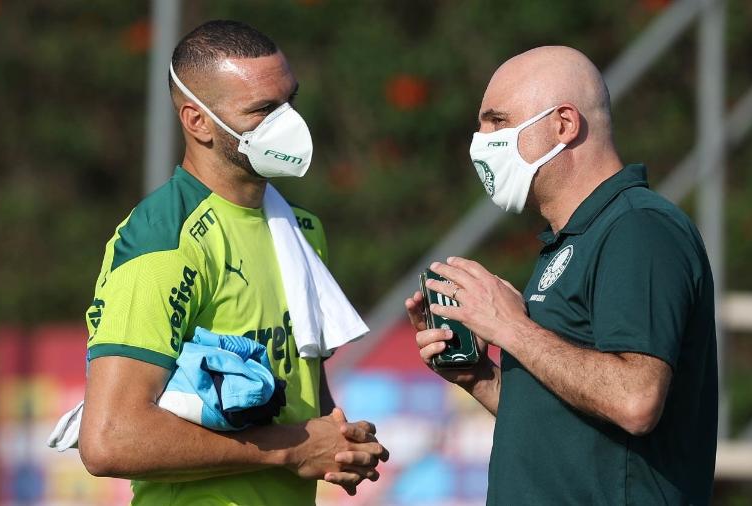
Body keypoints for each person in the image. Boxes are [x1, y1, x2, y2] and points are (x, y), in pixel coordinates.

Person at [78, 20, 388, 505]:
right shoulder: (165, 239)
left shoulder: (300, 227)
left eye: (290, 101)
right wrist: (295, 448)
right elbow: (111, 439)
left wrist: (339, 446)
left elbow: (305, 404)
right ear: (197, 121)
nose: (288, 123)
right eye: (263, 110)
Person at [406, 46, 718, 505]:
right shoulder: (575, 239)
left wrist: (511, 327)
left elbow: (635, 399)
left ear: (564, 125)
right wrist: (479, 377)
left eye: (497, 121)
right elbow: (565, 428)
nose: (480, 140)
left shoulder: (638, 227)